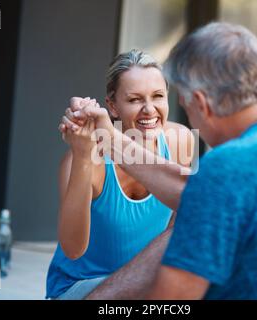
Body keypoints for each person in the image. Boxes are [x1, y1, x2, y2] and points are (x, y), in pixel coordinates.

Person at [65, 22, 257, 299]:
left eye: (182, 104)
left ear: (201, 103)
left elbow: (171, 301)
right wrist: (108, 135)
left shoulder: (229, 167)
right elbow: (193, 194)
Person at [46, 49, 194, 300]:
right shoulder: (82, 161)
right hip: (80, 290)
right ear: (112, 106)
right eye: (135, 99)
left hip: (143, 286)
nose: (149, 110)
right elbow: (72, 249)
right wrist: (83, 154)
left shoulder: (181, 141)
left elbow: (177, 229)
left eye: (158, 96)